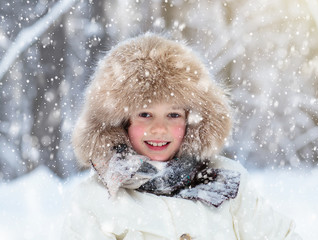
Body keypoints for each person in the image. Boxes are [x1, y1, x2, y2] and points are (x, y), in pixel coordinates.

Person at [62, 33, 301, 240]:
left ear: (191, 121)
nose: (159, 128)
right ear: (122, 123)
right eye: (145, 114)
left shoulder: (227, 182)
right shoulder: (96, 200)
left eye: (173, 115)